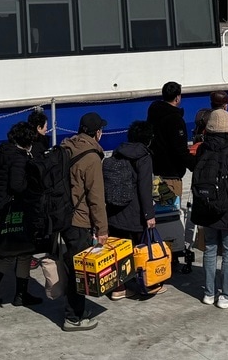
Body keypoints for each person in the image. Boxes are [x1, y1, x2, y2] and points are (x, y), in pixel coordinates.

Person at [0, 121, 44, 308]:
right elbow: (17, 186)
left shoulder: (4, 152)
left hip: (0, 208)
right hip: (17, 209)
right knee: (24, 252)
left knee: (7, 254)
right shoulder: (19, 158)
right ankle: (20, 294)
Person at [193, 109, 228, 308]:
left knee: (209, 249)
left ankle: (208, 293)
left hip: (207, 206)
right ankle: (226, 295)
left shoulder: (202, 149)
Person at [61, 112, 108, 331]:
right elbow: (96, 197)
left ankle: (75, 310)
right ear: (97, 133)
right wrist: (102, 229)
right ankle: (74, 316)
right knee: (78, 271)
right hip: (79, 219)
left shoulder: (67, 147)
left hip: (63, 215)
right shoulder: (91, 157)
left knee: (71, 265)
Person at [105, 120, 161, 300]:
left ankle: (118, 288)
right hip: (135, 213)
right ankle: (146, 284)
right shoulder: (144, 157)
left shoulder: (118, 152)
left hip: (115, 210)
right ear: (148, 139)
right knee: (141, 249)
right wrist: (149, 215)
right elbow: (145, 188)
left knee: (119, 251)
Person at [147, 82, 189, 200]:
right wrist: (193, 164)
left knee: (159, 208)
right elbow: (180, 149)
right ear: (177, 97)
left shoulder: (154, 113)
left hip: (156, 170)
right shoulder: (175, 119)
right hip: (171, 173)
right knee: (171, 209)